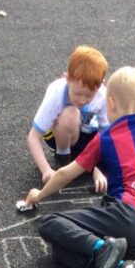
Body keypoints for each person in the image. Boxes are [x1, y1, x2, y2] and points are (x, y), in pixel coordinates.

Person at [23, 66, 135, 268]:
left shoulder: (105, 139)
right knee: (61, 252)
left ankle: (102, 249)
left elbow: (65, 173)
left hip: (123, 214)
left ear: (111, 103)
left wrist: (39, 194)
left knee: (50, 223)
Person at [28, 46, 110, 187]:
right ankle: (63, 158)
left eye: (89, 96)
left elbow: (107, 135)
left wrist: (99, 168)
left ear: (100, 85)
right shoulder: (56, 92)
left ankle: (86, 159)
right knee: (70, 114)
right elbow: (33, 137)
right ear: (67, 79)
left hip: (88, 137)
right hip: (60, 135)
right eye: (77, 93)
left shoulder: (102, 94)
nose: (82, 100)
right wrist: (46, 170)